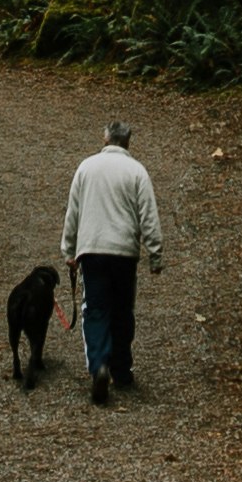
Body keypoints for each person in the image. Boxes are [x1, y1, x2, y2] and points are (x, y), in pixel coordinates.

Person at [63, 121, 163, 405]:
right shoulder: (137, 171)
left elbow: (74, 211)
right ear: (128, 142)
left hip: (92, 250)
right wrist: (155, 254)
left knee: (95, 310)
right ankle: (121, 369)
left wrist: (69, 250)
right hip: (124, 253)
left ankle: (99, 365)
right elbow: (149, 215)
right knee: (122, 311)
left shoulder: (86, 167)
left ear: (104, 138)